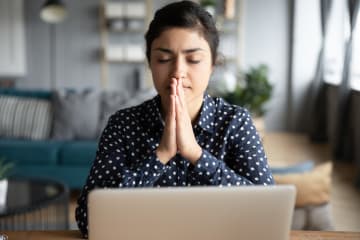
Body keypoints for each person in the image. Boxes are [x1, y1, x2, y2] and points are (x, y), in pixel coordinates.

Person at [76, 1, 274, 237]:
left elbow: (268, 214)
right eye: (163, 59)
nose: (178, 71)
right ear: (150, 63)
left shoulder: (236, 122)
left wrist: (196, 154)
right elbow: (89, 220)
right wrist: (160, 155)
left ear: (212, 65)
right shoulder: (123, 124)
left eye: (193, 60)